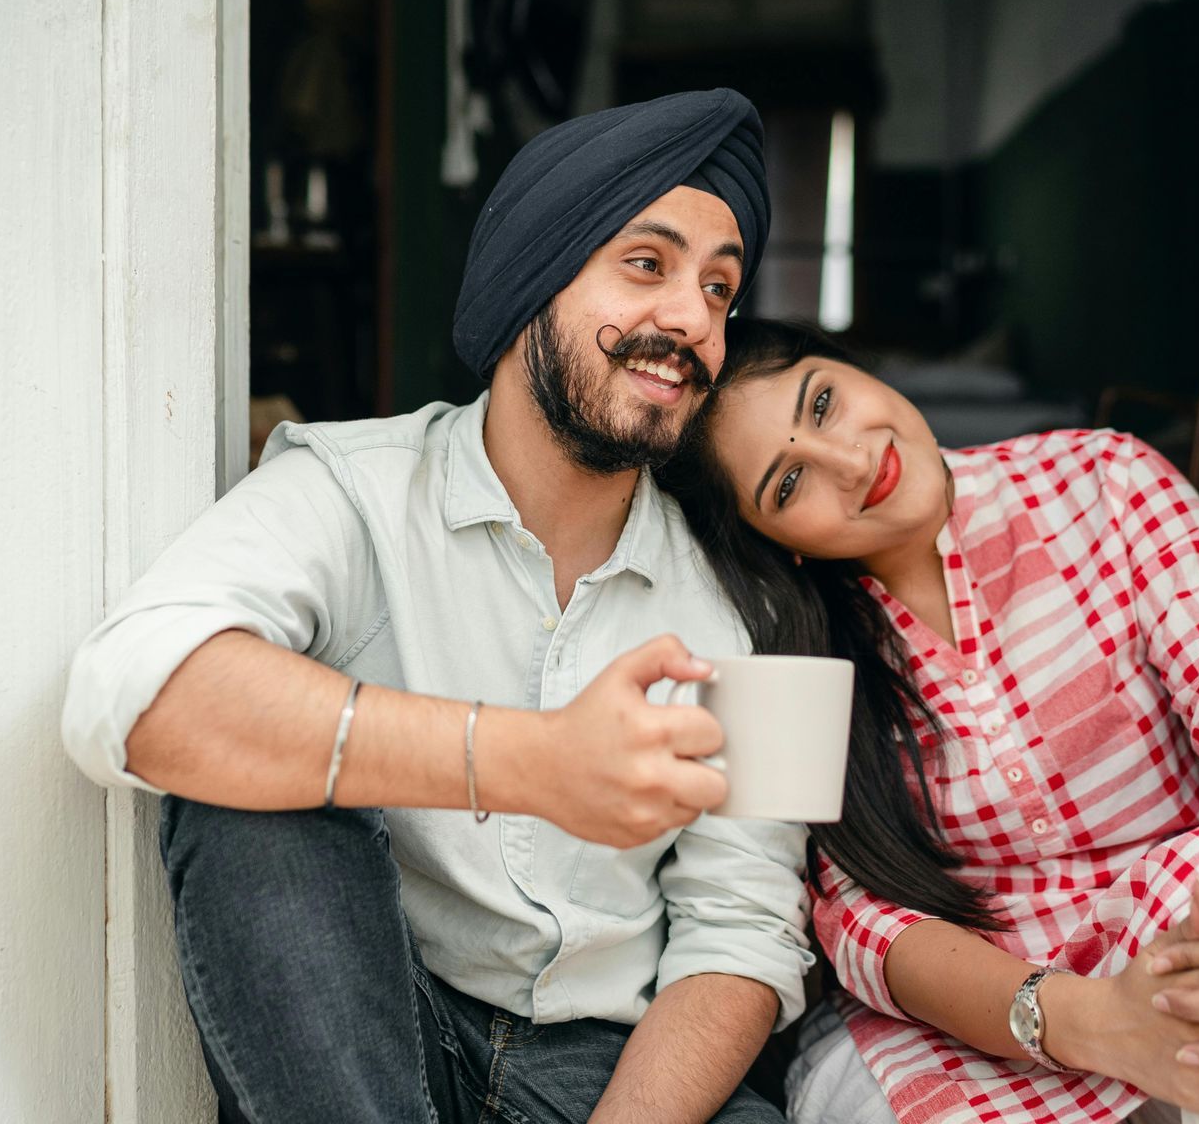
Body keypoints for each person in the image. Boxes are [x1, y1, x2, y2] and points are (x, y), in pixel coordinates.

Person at [61, 90, 815, 1124]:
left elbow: (749, 932)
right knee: (253, 795)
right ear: (533, 278)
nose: (693, 318)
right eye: (648, 264)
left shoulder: (751, 598)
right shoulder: (345, 486)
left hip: (617, 1074)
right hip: (371, 1044)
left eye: (721, 288)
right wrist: (533, 761)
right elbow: (125, 687)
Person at [655, 318, 1199, 1124]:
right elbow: (864, 920)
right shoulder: (766, 637)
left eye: (823, 403)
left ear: (854, 367)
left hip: (1188, 938)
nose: (851, 461)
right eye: (788, 484)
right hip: (970, 1023)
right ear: (773, 541)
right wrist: (1088, 1022)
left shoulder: (1105, 482)